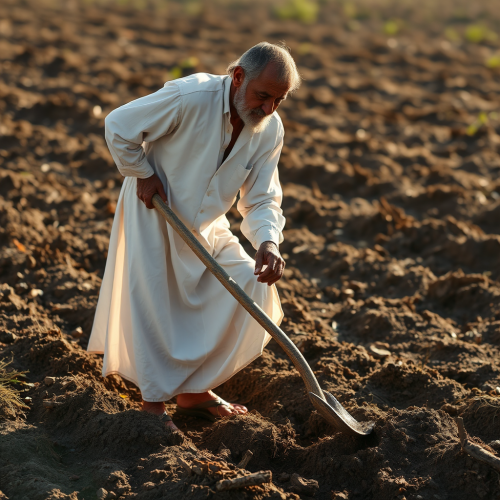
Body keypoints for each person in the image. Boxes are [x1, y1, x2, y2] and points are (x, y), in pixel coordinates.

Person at [87, 42, 301, 430]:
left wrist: (268, 242)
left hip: (207, 225)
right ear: (238, 77)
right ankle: (152, 408)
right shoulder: (191, 96)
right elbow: (118, 124)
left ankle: (194, 393)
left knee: (252, 288)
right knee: (154, 302)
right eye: (263, 95)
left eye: (279, 100)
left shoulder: (269, 129)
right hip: (155, 212)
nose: (269, 108)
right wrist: (142, 172)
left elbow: (263, 195)